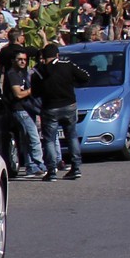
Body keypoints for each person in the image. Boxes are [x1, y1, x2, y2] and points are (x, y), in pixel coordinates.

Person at [35, 43, 90, 181]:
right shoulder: (67, 65)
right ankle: (76, 167)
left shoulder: (39, 71)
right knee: (71, 136)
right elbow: (85, 77)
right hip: (69, 104)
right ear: (57, 55)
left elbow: (35, 92)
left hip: (50, 107)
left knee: (49, 140)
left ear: (43, 57)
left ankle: (51, 170)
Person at [3, 49, 46, 178]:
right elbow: (18, 94)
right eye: (20, 59)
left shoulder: (23, 73)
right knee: (34, 137)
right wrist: (33, 90)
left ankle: (31, 166)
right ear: (13, 61)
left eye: (25, 60)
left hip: (29, 108)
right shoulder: (12, 74)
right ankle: (40, 163)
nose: (23, 62)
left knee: (27, 138)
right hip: (19, 109)